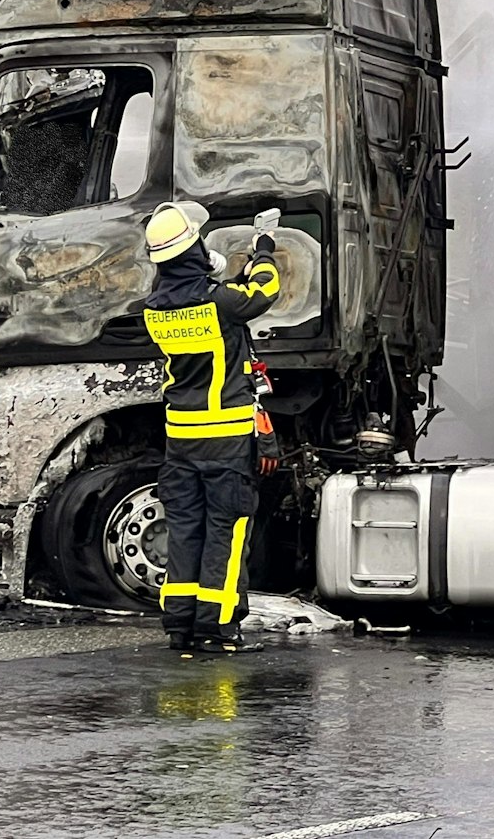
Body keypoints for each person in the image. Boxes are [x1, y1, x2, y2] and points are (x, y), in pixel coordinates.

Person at [142, 201, 281, 654]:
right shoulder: (220, 302)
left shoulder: (155, 308)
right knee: (226, 530)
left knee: (185, 530)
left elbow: (211, 301)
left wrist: (223, 273)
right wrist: (263, 248)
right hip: (225, 438)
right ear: (192, 251)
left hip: (181, 438)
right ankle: (218, 629)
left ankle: (180, 625)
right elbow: (265, 289)